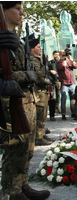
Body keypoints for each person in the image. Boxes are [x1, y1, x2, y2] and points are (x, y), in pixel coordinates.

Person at [0, 1, 50, 199]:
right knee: (14, 148)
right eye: (16, 9)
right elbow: (6, 74)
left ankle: (23, 185)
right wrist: (25, 76)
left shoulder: (17, 41)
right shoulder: (3, 40)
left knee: (27, 149)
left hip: (27, 101)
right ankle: (13, 191)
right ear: (3, 12)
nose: (21, 13)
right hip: (10, 102)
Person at [29, 36, 55, 146]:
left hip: (42, 91)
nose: (40, 49)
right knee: (40, 114)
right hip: (38, 92)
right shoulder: (33, 61)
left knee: (43, 114)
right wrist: (48, 80)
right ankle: (38, 137)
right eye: (38, 47)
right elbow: (40, 78)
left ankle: (41, 133)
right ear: (32, 49)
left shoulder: (38, 60)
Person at [56, 49, 77, 120]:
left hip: (72, 83)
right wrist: (64, 59)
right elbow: (63, 67)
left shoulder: (69, 62)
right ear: (60, 55)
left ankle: (73, 113)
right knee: (64, 98)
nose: (64, 55)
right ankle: (63, 114)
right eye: (62, 54)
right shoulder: (59, 62)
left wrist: (71, 59)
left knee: (73, 98)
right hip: (64, 83)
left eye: (64, 54)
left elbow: (75, 66)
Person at [48, 50, 60, 121]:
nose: (57, 56)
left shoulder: (60, 62)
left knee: (58, 95)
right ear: (53, 55)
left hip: (58, 81)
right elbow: (46, 70)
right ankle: (51, 112)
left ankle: (57, 108)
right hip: (52, 81)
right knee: (52, 96)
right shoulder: (50, 63)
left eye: (58, 55)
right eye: (55, 54)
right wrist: (50, 71)